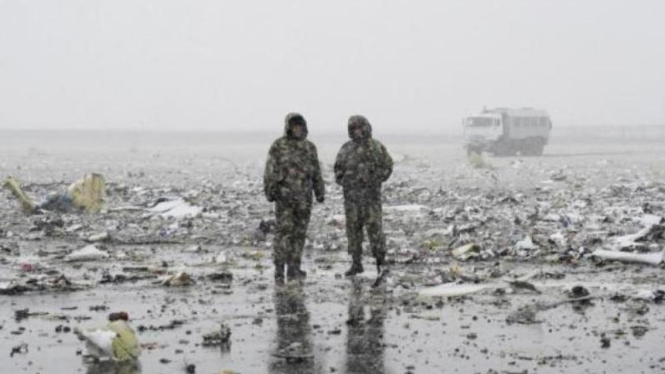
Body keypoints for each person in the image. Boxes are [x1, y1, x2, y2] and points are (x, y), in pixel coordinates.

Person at [264, 113, 325, 283]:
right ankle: (279, 269)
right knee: (284, 234)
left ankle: (294, 268)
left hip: (304, 199)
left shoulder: (309, 147)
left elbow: (316, 171)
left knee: (299, 234)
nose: (297, 128)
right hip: (285, 198)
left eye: (300, 125)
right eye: (294, 125)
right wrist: (270, 190)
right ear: (288, 127)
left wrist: (320, 191)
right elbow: (270, 169)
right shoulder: (279, 146)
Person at [334, 115, 393, 277]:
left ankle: (380, 263)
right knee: (353, 231)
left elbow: (388, 166)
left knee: (375, 230)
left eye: (361, 127)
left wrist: (375, 179)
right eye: (354, 128)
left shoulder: (376, 147)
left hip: (371, 199)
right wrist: (346, 180)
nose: (358, 131)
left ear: (367, 127)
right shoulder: (346, 148)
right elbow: (337, 169)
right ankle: (356, 263)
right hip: (352, 200)